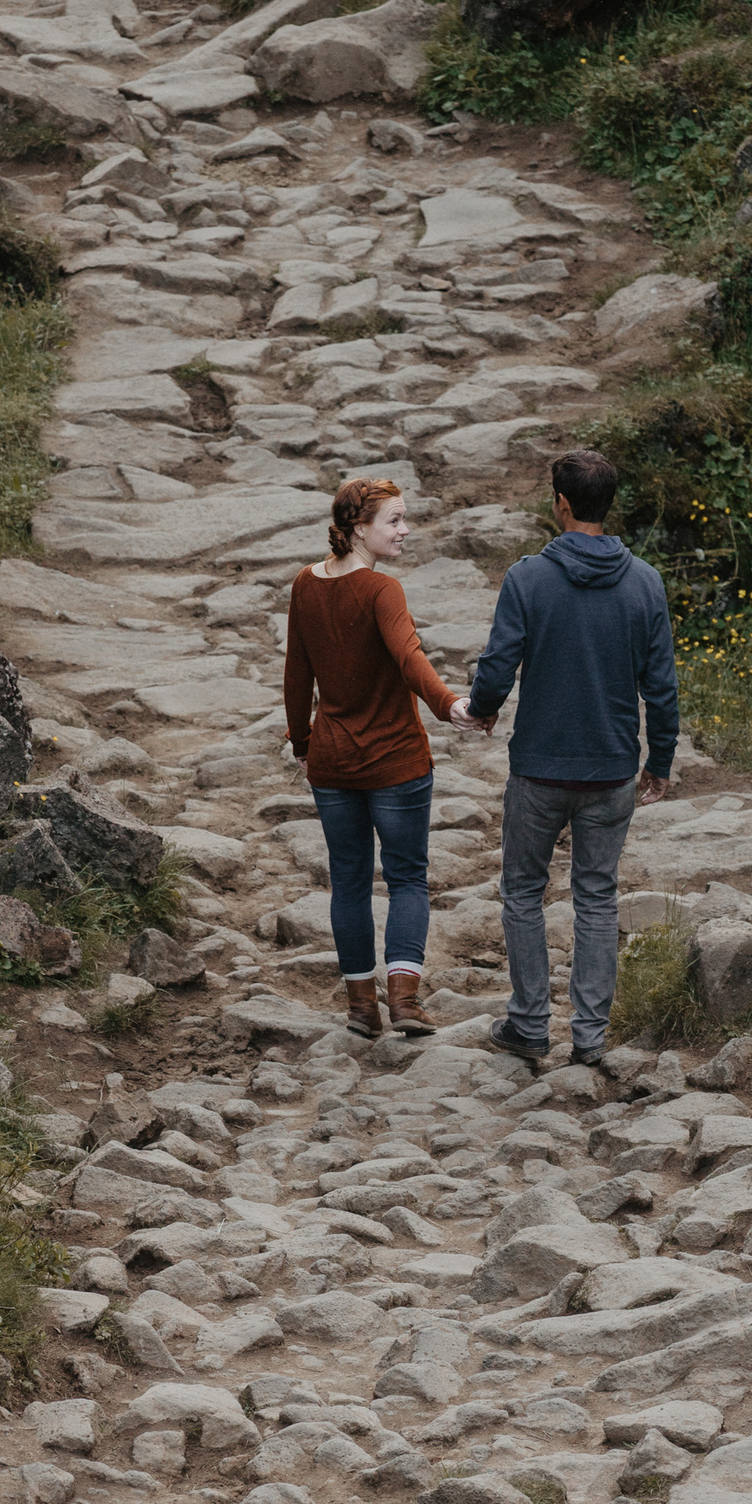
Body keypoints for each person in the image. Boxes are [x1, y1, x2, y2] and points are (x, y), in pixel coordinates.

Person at [462, 448, 679, 1070]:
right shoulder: (645, 583)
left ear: (561, 504)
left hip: (538, 767)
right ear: (608, 505)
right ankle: (590, 1038)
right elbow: (660, 686)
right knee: (597, 897)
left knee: (524, 891)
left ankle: (529, 1023)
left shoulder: (528, 578)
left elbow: (500, 662)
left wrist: (482, 708)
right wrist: (658, 760)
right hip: (612, 769)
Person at [284, 476, 479, 1040]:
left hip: (333, 763)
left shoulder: (305, 585)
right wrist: (450, 706)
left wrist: (303, 743)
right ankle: (406, 1001)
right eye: (393, 520)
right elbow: (409, 656)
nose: (404, 529)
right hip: (396, 763)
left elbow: (297, 675)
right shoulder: (380, 590)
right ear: (357, 529)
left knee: (347, 882)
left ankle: (361, 1008)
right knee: (408, 878)